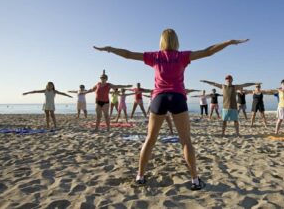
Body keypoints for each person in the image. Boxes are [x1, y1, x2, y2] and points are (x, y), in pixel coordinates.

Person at [94, 28, 249, 190]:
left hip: (159, 98)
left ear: (161, 41)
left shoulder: (154, 56)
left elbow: (128, 54)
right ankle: (195, 180)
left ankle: (140, 176)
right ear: (176, 41)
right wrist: (228, 42)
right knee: (185, 141)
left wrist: (110, 49)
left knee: (150, 139)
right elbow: (208, 52)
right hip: (177, 98)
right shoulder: (182, 56)